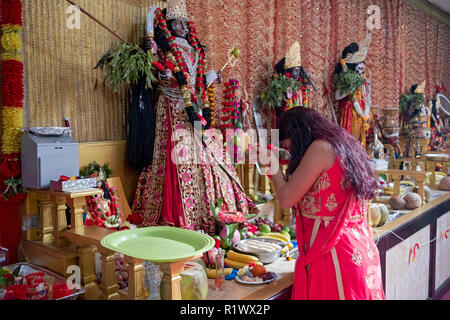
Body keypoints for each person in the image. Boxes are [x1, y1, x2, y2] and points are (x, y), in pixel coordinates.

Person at [131, 0, 257, 233]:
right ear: (169, 25)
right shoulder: (164, 49)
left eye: (185, 23)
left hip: (194, 109)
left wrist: (208, 80)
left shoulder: (194, 50)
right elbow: (155, 77)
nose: (183, 27)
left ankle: (209, 209)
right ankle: (178, 213)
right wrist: (164, 73)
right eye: (178, 23)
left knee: (207, 155)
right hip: (171, 108)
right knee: (176, 158)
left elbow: (195, 82)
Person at [267, 107, 385, 300]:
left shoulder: (320, 148)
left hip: (333, 253)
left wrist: (273, 166)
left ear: (298, 135)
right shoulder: (342, 142)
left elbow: (287, 198)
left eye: (288, 147)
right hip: (357, 247)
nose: (290, 152)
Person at [334, 32, 373, 150]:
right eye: (358, 63)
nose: (361, 66)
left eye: (362, 62)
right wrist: (351, 87)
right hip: (348, 113)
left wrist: (366, 110)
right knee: (349, 144)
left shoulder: (362, 77)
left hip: (361, 114)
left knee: (360, 143)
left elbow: (366, 95)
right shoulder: (346, 77)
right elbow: (336, 96)